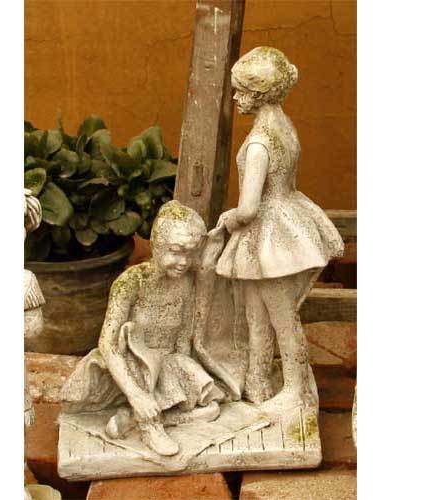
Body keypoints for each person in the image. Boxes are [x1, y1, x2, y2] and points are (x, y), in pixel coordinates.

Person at [215, 47, 344, 414]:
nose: (236, 98)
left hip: (270, 234)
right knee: (257, 313)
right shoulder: (283, 125)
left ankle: (295, 390)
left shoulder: (259, 143)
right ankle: (257, 379)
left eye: (241, 91)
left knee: (281, 317)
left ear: (258, 94)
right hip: (286, 216)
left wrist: (228, 219)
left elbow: (249, 208)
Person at [62, 201, 224, 457]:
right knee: (129, 334)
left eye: (191, 253)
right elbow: (108, 344)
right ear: (156, 245)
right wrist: (136, 395)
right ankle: (149, 425)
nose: (183, 262)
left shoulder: (186, 284)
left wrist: (184, 375)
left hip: (164, 364)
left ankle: (136, 419)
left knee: (211, 406)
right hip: (128, 364)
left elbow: (183, 341)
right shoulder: (131, 282)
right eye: (176, 251)